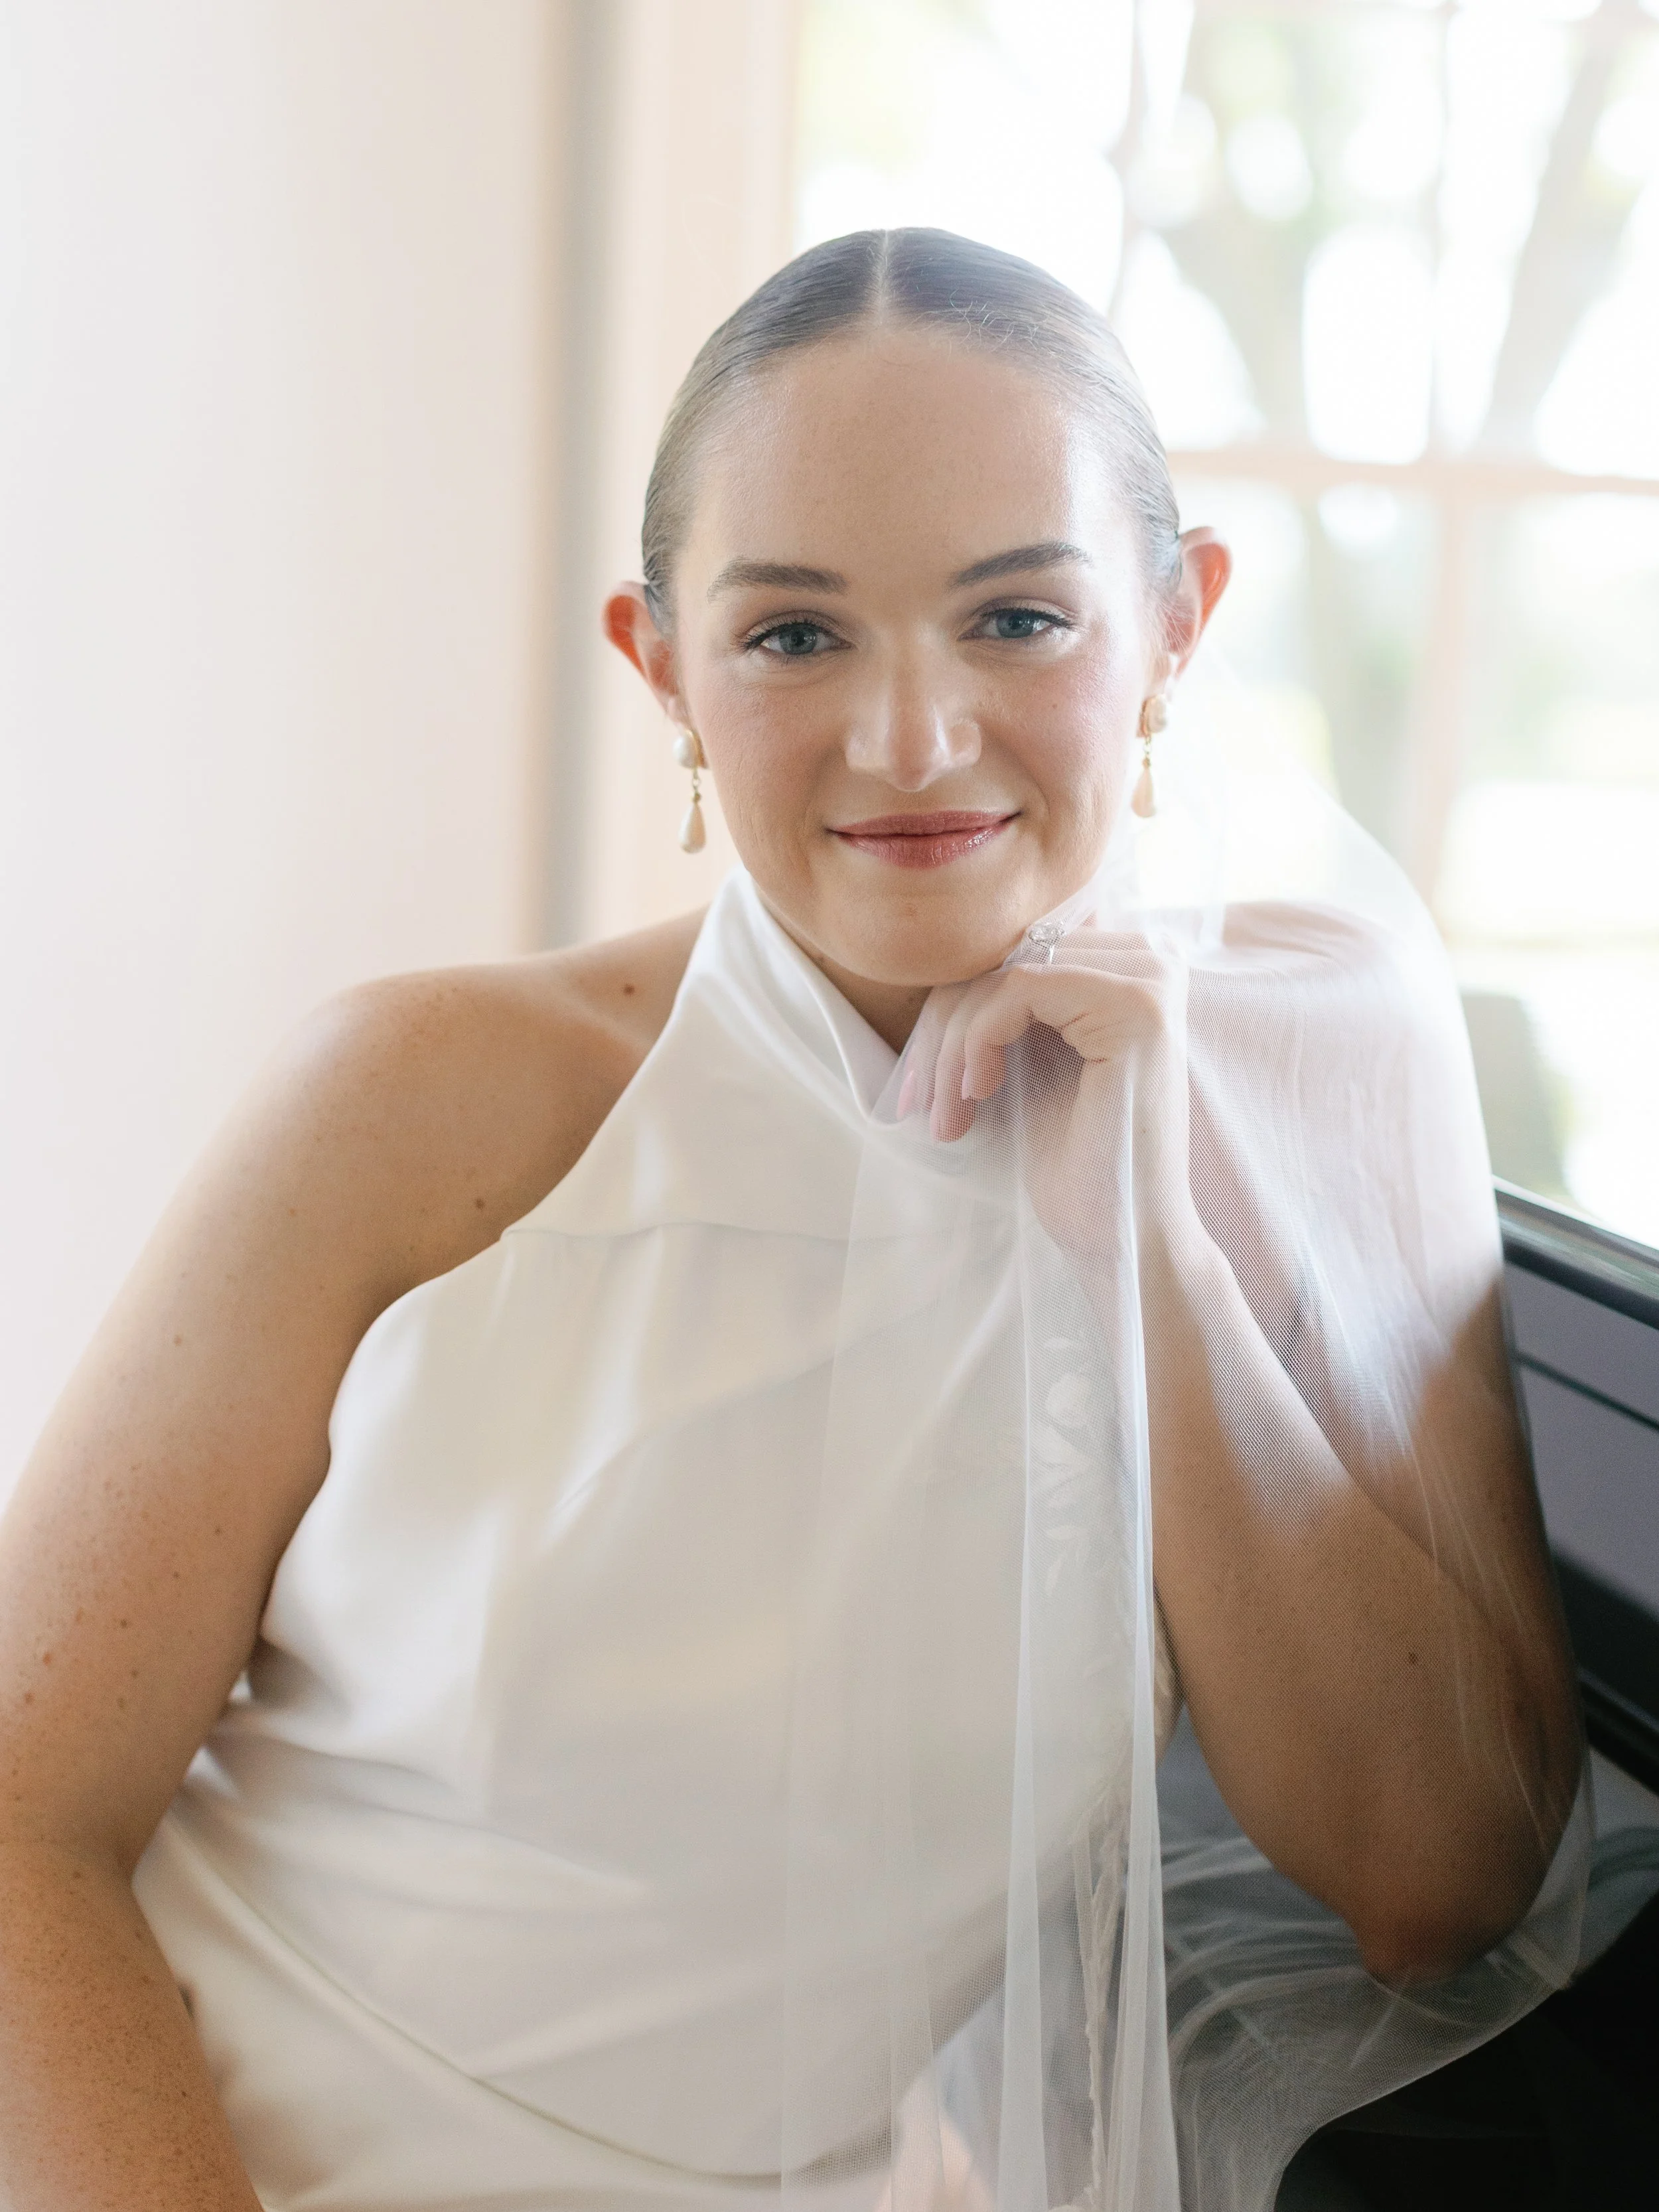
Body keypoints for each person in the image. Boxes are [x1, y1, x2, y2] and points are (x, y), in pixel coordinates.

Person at [0, 230, 1586, 2212]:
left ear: (1178, 625)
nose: (911, 738)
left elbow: (1433, 1882)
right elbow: (23, 1825)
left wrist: (1137, 1213)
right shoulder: (416, 1100)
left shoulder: (1289, 1091)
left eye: (1017, 617)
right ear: (661, 664)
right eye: (793, 636)